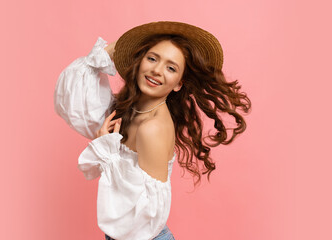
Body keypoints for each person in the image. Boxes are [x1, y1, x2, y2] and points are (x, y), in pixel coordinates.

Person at [54, 21, 251, 240]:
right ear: (139, 62)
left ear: (178, 84)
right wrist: (106, 52)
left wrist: (108, 155)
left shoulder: (152, 128)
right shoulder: (131, 109)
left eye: (171, 68)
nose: (157, 71)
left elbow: (145, 218)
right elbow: (75, 105)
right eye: (152, 58)